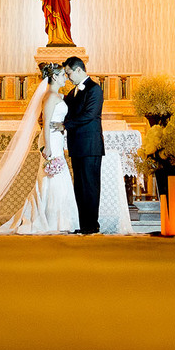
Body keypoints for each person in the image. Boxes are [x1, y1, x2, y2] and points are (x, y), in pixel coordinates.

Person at [0, 64, 79, 235]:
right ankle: (49, 219)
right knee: (50, 177)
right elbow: (46, 122)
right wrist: (48, 146)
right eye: (62, 75)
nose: (65, 78)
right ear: (54, 77)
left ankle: (61, 220)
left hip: (57, 138)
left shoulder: (57, 96)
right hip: (50, 139)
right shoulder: (50, 97)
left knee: (58, 177)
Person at [62, 56, 103, 234]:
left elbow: (90, 115)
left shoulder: (95, 89)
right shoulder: (73, 92)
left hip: (90, 146)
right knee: (79, 187)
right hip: (77, 145)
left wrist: (65, 125)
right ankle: (84, 224)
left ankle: (92, 225)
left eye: (69, 73)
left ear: (79, 70)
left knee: (90, 186)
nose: (68, 77)